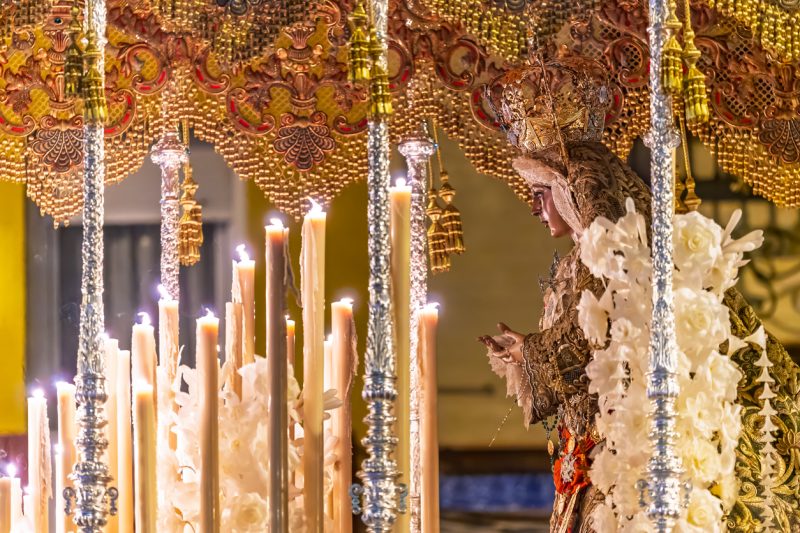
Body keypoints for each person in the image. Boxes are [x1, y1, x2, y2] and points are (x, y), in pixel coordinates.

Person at [479, 55, 800, 532]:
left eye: (542, 192)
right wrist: (528, 354)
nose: (535, 208)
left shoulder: (622, 258)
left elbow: (614, 328)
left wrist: (533, 353)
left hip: (633, 448)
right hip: (588, 455)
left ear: (574, 190)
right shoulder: (578, 262)